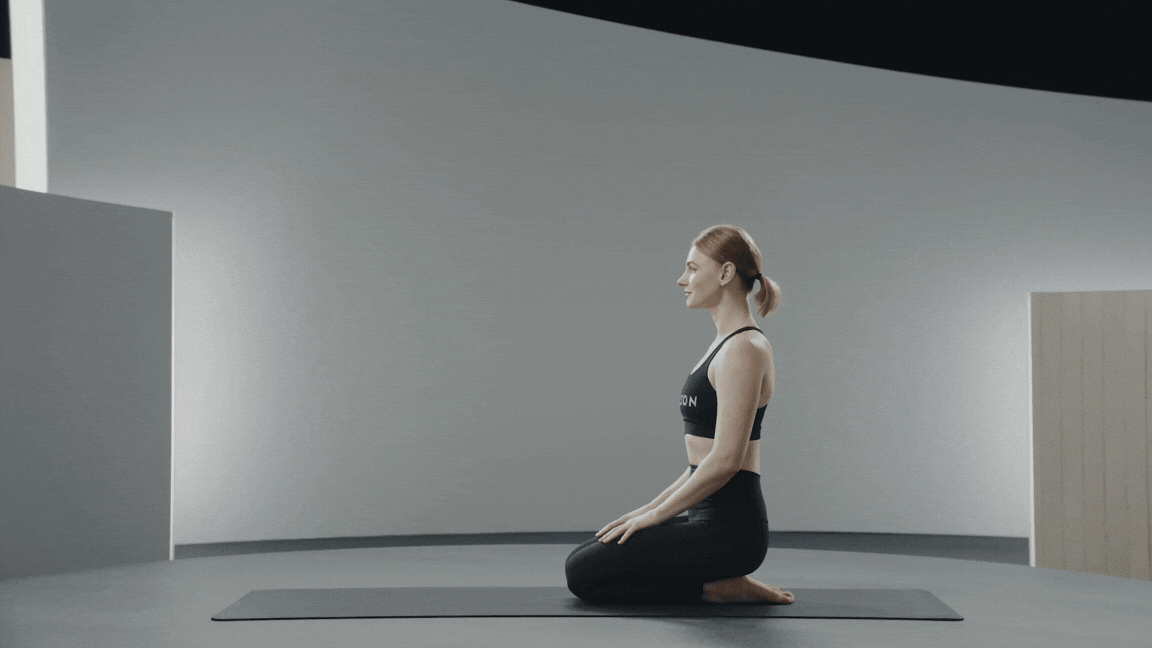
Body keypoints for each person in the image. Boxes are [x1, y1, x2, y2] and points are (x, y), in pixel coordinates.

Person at [565, 224, 794, 605]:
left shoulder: (745, 349)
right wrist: (647, 510)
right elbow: (700, 464)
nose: (681, 280)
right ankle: (718, 584)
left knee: (583, 574)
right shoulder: (723, 344)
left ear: (724, 273)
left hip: (731, 531)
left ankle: (719, 587)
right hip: (704, 517)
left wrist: (656, 519)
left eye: (691, 268)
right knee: (586, 554)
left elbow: (726, 460)